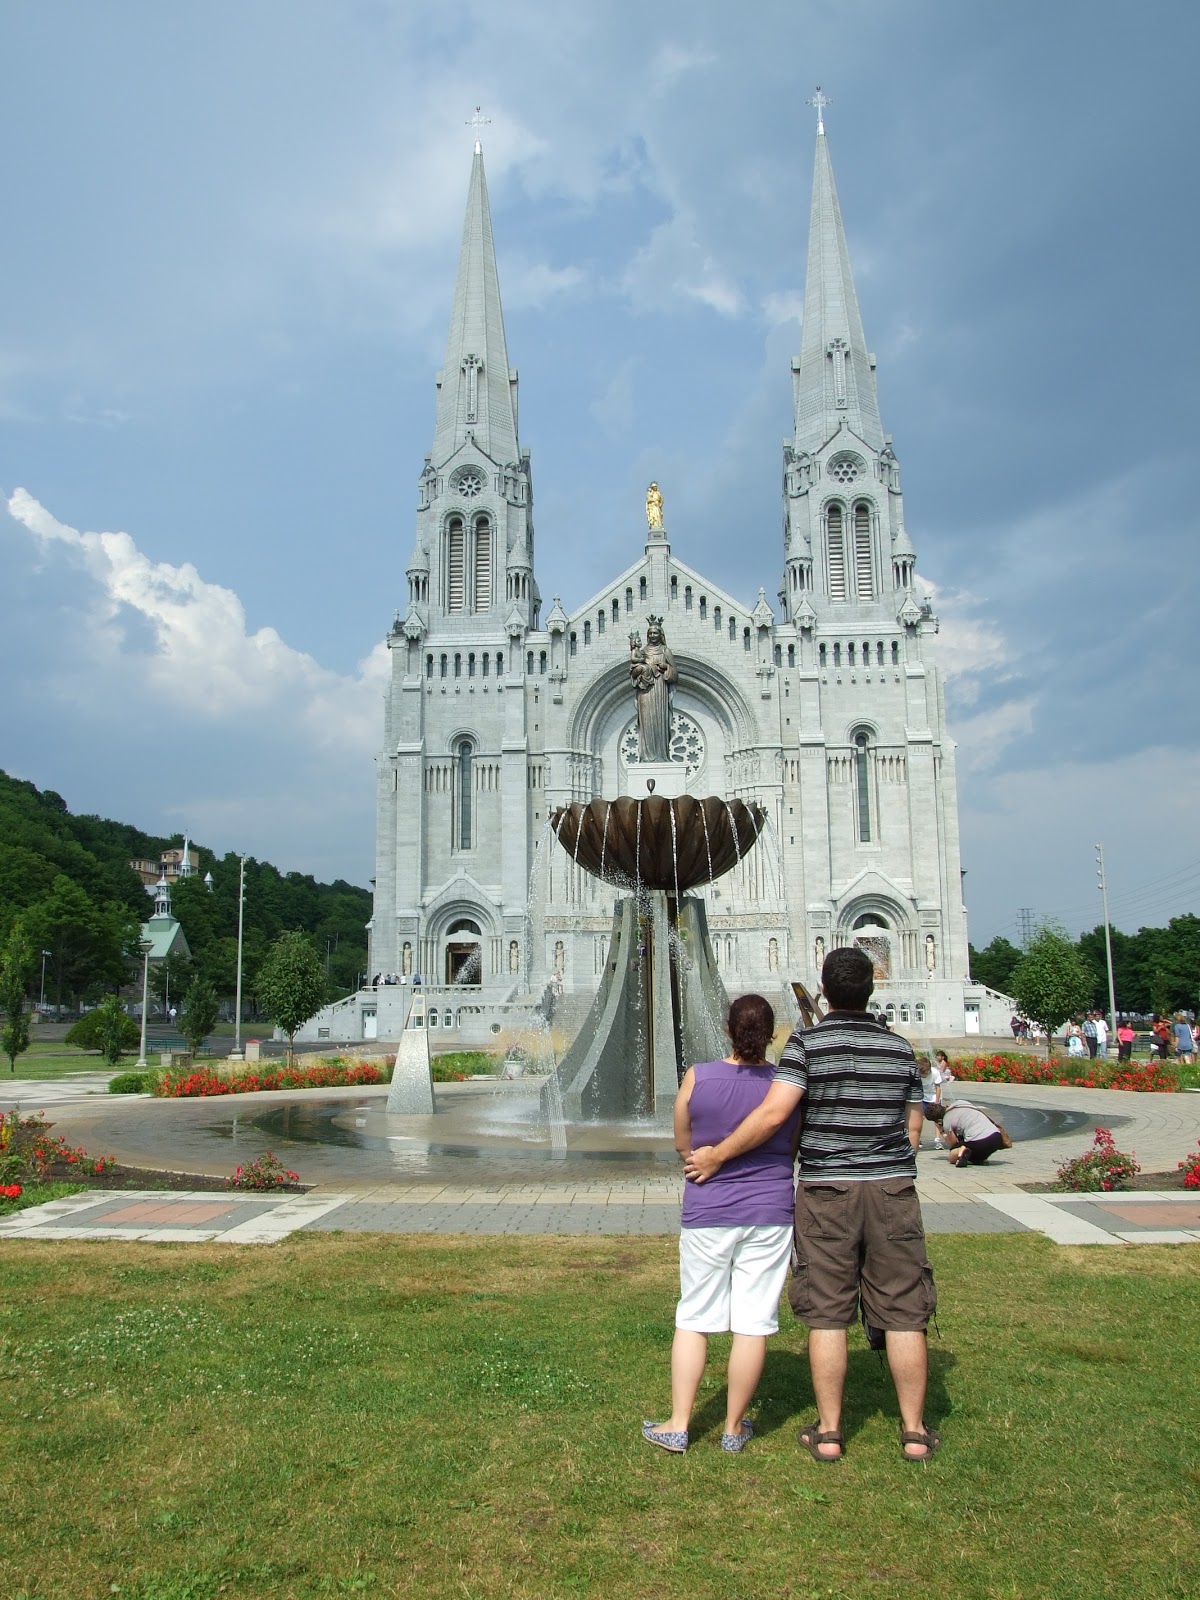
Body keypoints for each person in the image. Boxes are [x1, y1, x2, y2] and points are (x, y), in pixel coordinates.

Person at [685, 946, 939, 1463]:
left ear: (823, 989)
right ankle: (914, 1432)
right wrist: (888, 1161)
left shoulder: (807, 1045)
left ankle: (829, 1432)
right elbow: (914, 1125)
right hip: (892, 1189)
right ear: (872, 989)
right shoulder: (899, 1049)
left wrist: (718, 1156)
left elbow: (776, 1115)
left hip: (827, 1190)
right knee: (905, 1308)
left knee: (827, 1312)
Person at [642, 994, 800, 1456]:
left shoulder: (698, 1077)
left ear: (728, 1031)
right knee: (753, 1322)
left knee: (695, 1315)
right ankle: (733, 1428)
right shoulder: (785, 1086)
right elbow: (790, 1144)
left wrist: (710, 1158)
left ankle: (678, 1423)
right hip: (770, 1213)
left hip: (708, 1211)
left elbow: (682, 1144)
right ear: (772, 1035)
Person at [925, 1100, 1007, 1166]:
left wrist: (942, 1130)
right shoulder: (960, 1103)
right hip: (997, 1137)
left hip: (979, 1142)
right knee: (970, 1138)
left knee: (952, 1156)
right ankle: (979, 1158)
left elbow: (953, 1145)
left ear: (938, 1120)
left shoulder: (947, 1121)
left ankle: (963, 1153)